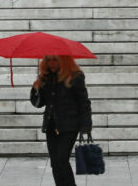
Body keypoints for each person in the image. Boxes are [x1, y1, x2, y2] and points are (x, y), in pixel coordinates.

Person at [30, 55, 92, 186]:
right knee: (55, 163)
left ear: (63, 61)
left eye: (55, 59)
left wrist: (86, 125)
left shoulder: (75, 77)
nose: (51, 63)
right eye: (48, 60)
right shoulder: (46, 78)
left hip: (69, 125)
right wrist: (36, 89)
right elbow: (38, 104)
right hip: (51, 125)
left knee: (62, 160)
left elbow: (84, 102)